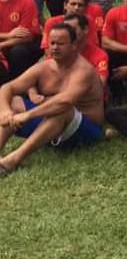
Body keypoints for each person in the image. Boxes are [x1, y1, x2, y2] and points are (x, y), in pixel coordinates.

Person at [0, 23, 105, 175]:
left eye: (61, 43)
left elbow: (65, 102)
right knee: (13, 101)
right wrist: (5, 111)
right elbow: (7, 88)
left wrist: (28, 115)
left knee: (63, 109)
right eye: (52, 43)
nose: (55, 47)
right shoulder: (44, 67)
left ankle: (11, 162)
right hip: (51, 126)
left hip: (85, 131)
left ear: (74, 45)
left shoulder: (84, 71)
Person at [0, 0, 42, 83]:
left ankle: (19, 84)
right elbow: (14, 35)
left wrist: (2, 45)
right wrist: (8, 35)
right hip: (8, 38)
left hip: (19, 44)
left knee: (18, 51)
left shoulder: (26, 1)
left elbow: (27, 36)